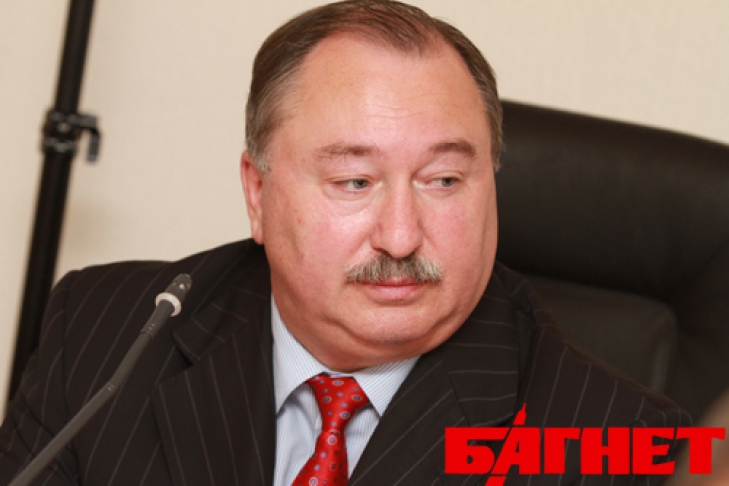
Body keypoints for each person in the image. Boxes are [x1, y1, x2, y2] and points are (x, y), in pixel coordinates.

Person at [0, 1, 689, 484]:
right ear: (258, 193)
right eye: (354, 182)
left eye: (444, 180)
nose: (401, 236)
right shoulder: (101, 331)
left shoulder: (625, 449)